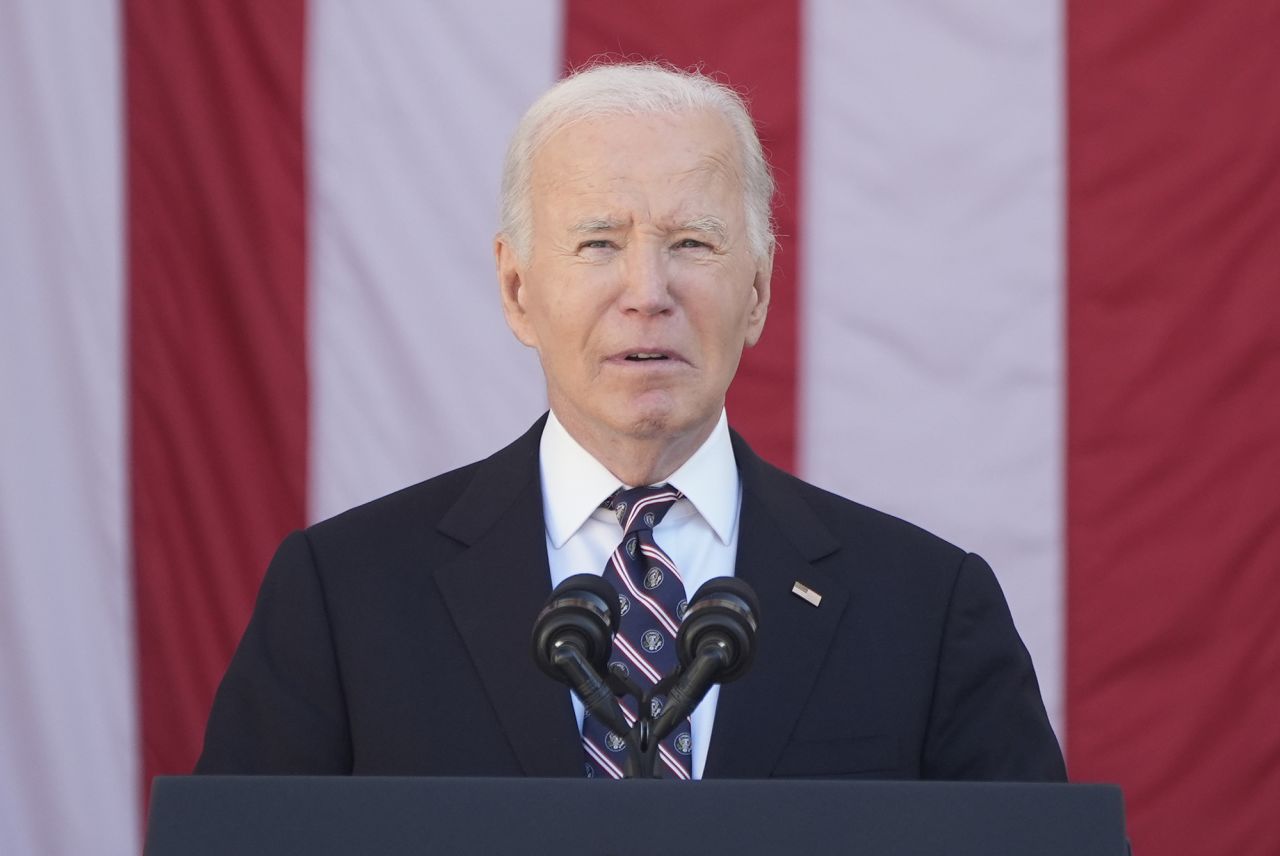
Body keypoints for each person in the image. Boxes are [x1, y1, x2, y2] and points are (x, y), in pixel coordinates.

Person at [196, 62, 1066, 782]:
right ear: (517, 290)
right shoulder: (343, 598)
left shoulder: (925, 608)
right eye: (598, 243)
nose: (647, 293)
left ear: (756, 291)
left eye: (692, 242)